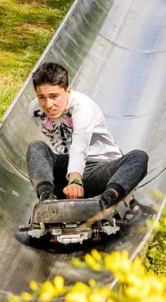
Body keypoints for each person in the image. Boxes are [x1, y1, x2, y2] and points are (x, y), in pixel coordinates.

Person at [26, 61, 148, 208]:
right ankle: (47, 200)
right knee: (36, 147)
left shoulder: (83, 107)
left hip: (100, 169)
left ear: (68, 91)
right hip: (67, 171)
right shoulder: (35, 111)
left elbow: (80, 143)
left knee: (138, 157)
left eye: (54, 96)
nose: (48, 104)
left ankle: (106, 200)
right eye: (41, 97)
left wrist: (76, 180)